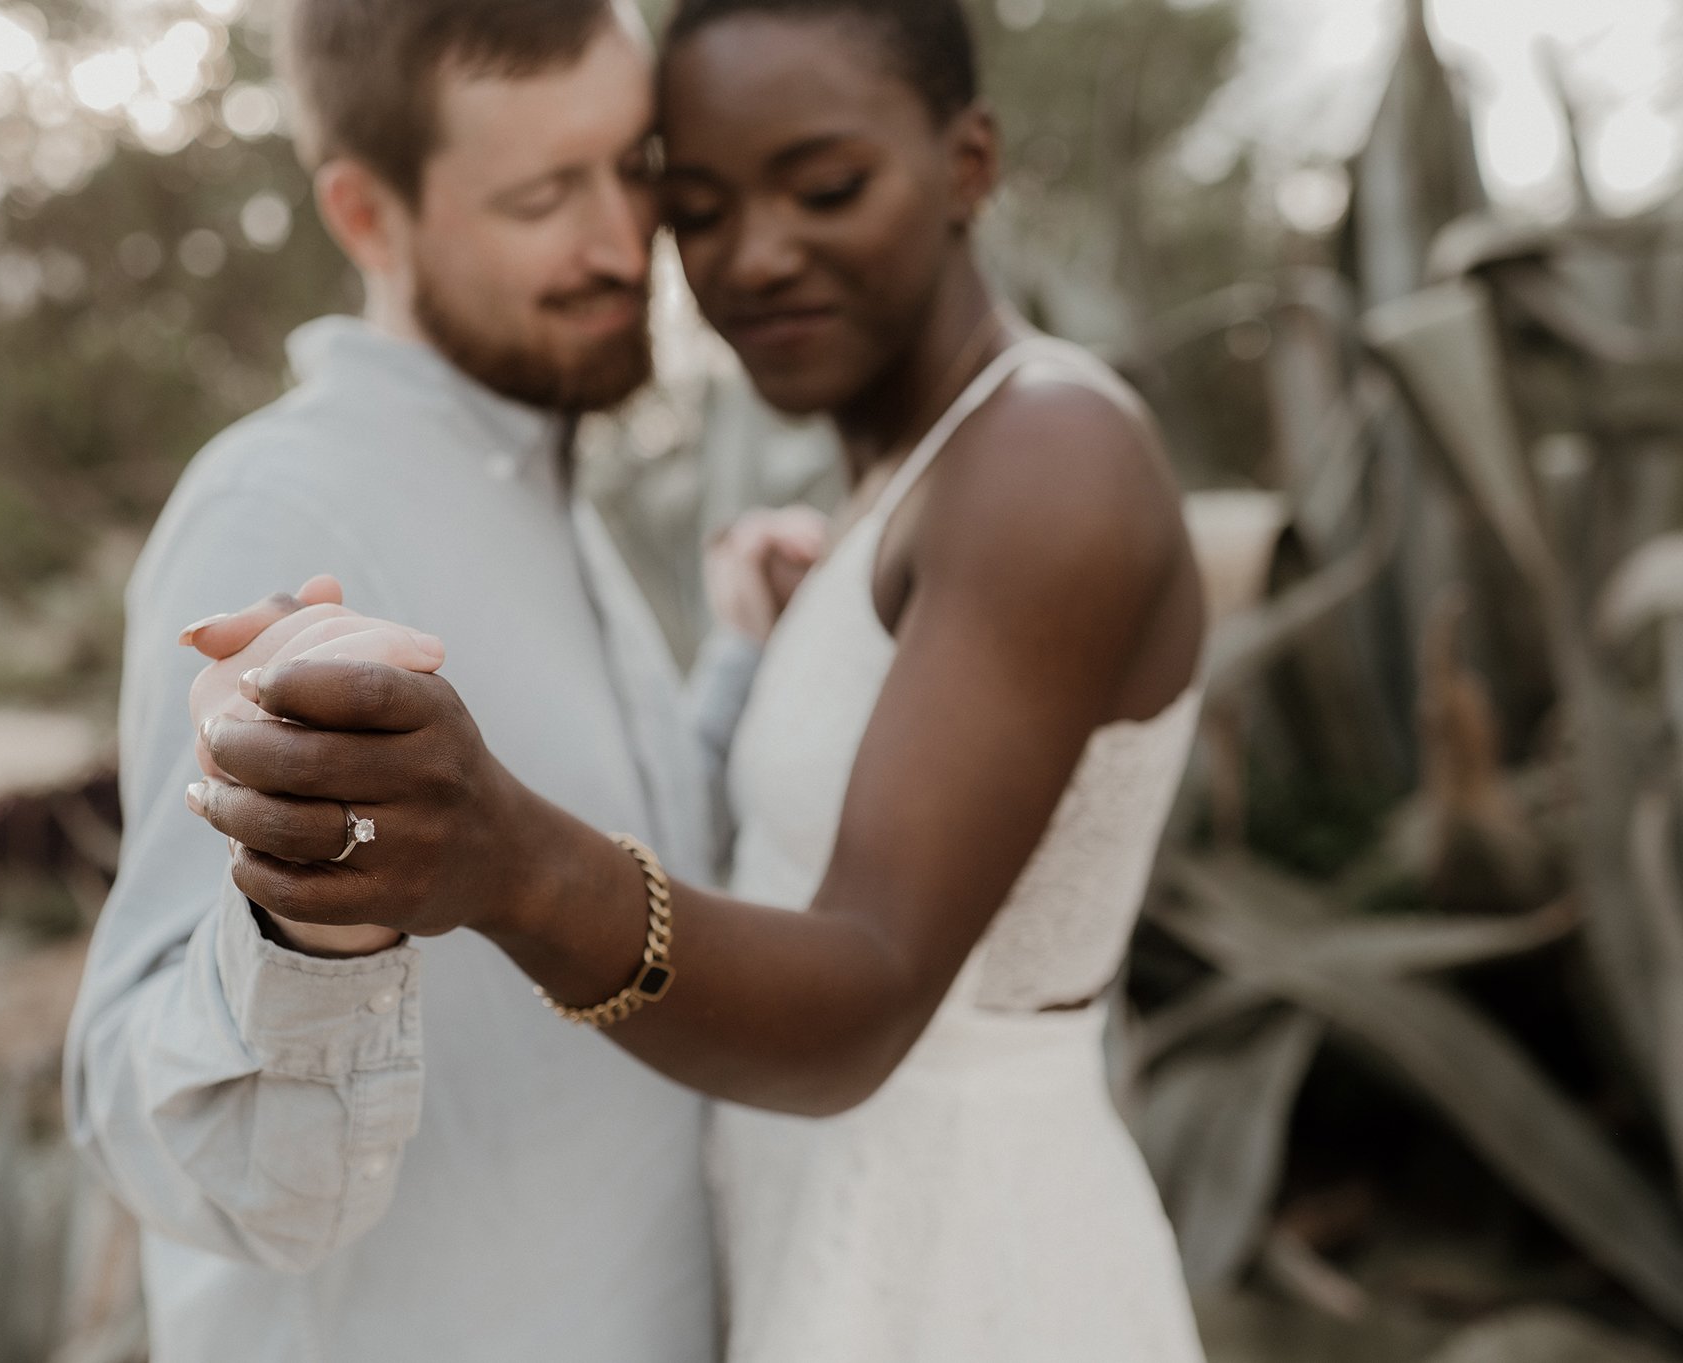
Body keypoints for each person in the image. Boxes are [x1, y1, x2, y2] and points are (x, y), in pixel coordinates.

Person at [184, 0, 1213, 1358]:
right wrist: (766, 653)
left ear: (968, 164)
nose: (757, 258)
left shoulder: (1050, 460)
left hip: (970, 1274)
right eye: (703, 207)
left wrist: (509, 861)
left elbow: (864, 995)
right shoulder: (903, 486)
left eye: (827, 187)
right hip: (833, 1247)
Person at [61, 2, 781, 1358]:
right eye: (539, 196)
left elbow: (622, 841)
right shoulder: (285, 511)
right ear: (366, 216)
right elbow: (149, 1127)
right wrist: (311, 919)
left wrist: (742, 657)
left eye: (633, 167)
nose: (625, 245)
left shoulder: (544, 478)